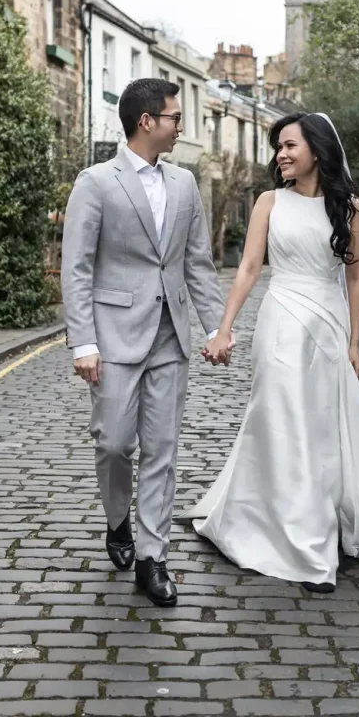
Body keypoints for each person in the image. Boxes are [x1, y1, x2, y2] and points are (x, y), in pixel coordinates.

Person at [188, 112, 359, 592]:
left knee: (323, 428)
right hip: (280, 322)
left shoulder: (353, 210)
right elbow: (250, 267)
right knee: (281, 420)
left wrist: (356, 342)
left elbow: (356, 279)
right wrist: (223, 329)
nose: (281, 154)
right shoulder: (268, 202)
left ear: (317, 149)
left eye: (290, 145)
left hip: (330, 324)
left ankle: (321, 518)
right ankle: (304, 539)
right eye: (278, 147)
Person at [61, 78, 231, 607]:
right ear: (146, 122)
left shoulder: (184, 184)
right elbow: (77, 268)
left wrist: (215, 327)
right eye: (175, 117)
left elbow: (197, 263)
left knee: (161, 450)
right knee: (114, 443)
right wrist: (82, 342)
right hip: (112, 337)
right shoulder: (96, 182)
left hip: (170, 338)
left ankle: (153, 558)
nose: (182, 125)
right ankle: (118, 522)